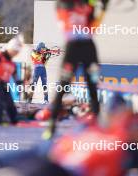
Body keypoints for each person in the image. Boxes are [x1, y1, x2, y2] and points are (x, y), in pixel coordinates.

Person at [43, 0, 109, 139]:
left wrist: (102, 9)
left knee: (93, 87)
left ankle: (98, 128)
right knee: (62, 87)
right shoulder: (63, 4)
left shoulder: (87, 4)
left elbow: (92, 28)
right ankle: (51, 126)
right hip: (72, 47)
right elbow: (68, 17)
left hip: (88, 48)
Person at [0, 35, 24, 125]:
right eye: (15, 51)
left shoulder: (12, 63)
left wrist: (21, 85)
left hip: (6, 87)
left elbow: (16, 78)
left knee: (14, 116)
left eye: (17, 52)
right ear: (10, 48)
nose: (16, 54)